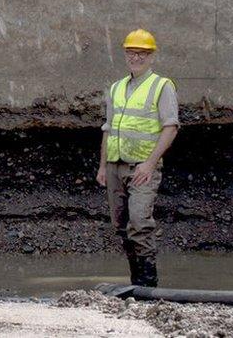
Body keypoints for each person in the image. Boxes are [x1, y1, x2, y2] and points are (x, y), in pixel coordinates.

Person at [95, 28, 179, 287]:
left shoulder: (161, 86)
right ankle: (135, 283)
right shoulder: (117, 88)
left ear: (151, 56)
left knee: (140, 223)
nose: (136, 57)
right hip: (114, 167)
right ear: (125, 54)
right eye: (132, 52)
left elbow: (171, 126)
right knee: (121, 226)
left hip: (142, 168)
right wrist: (102, 167)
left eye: (142, 53)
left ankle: (147, 285)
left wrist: (150, 164)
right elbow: (108, 129)